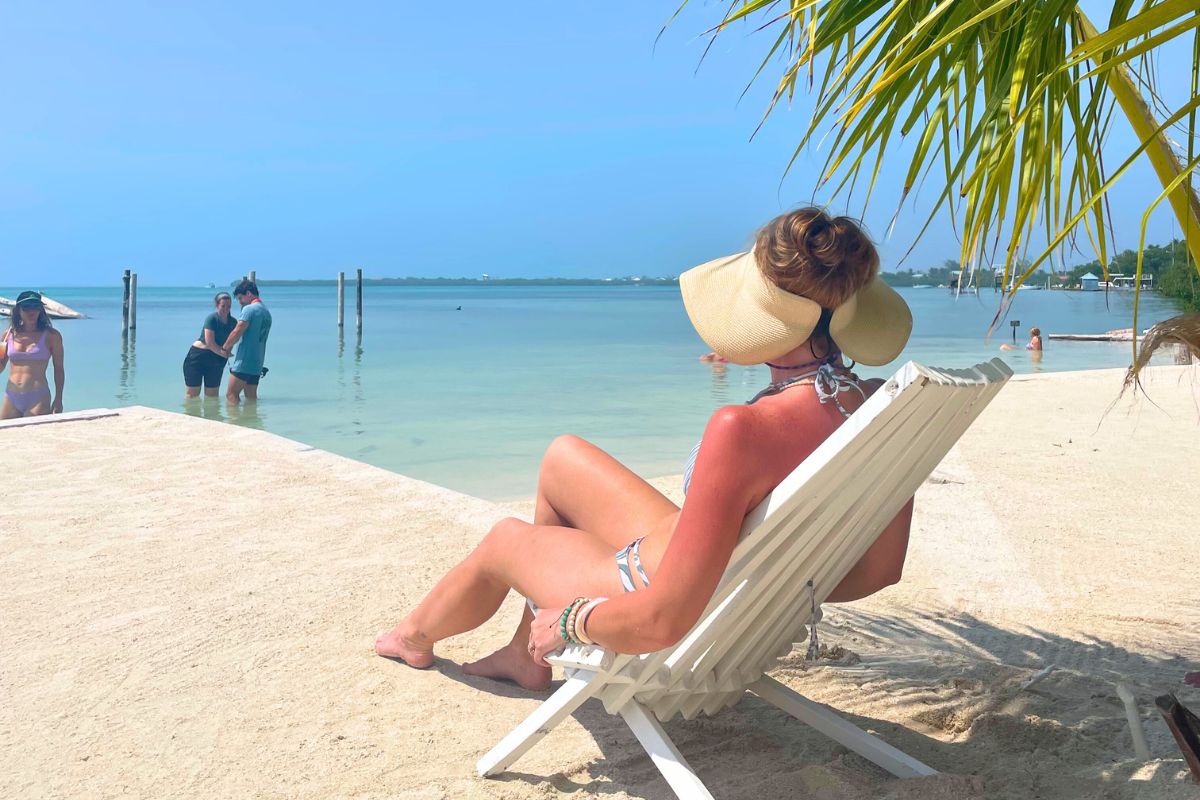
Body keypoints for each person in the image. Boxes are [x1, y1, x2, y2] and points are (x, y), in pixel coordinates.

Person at [375, 208, 915, 690]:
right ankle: (522, 656)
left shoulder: (743, 427)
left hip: (656, 589)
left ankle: (410, 637)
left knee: (503, 541)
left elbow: (664, 620)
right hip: (704, 564)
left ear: (764, 311)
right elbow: (879, 571)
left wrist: (570, 622)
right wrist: (777, 588)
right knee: (563, 457)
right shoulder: (880, 408)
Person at [0, 291, 65, 419]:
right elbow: (1, 365)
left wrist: (59, 399)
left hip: (38, 397)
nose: (32, 311)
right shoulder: (8, 335)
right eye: (27, 307)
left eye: (36, 306)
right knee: (6, 437)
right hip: (11, 396)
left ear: (41, 310)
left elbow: (59, 369)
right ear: (18, 311)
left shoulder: (52, 336)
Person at [221, 280, 272, 403]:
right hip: (257, 362)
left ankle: (233, 422)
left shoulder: (249, 309)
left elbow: (237, 331)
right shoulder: (266, 312)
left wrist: (225, 347)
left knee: (231, 395)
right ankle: (251, 421)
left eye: (240, 298)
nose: (240, 302)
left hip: (244, 361)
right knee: (251, 397)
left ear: (248, 294)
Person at [182, 292, 237, 398]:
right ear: (217, 306)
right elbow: (210, 343)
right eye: (223, 306)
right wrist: (224, 354)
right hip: (197, 358)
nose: (226, 309)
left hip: (217, 359)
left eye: (229, 306)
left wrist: (226, 354)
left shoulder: (233, 322)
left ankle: (210, 415)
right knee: (192, 395)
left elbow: (232, 340)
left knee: (212, 396)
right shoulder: (212, 319)